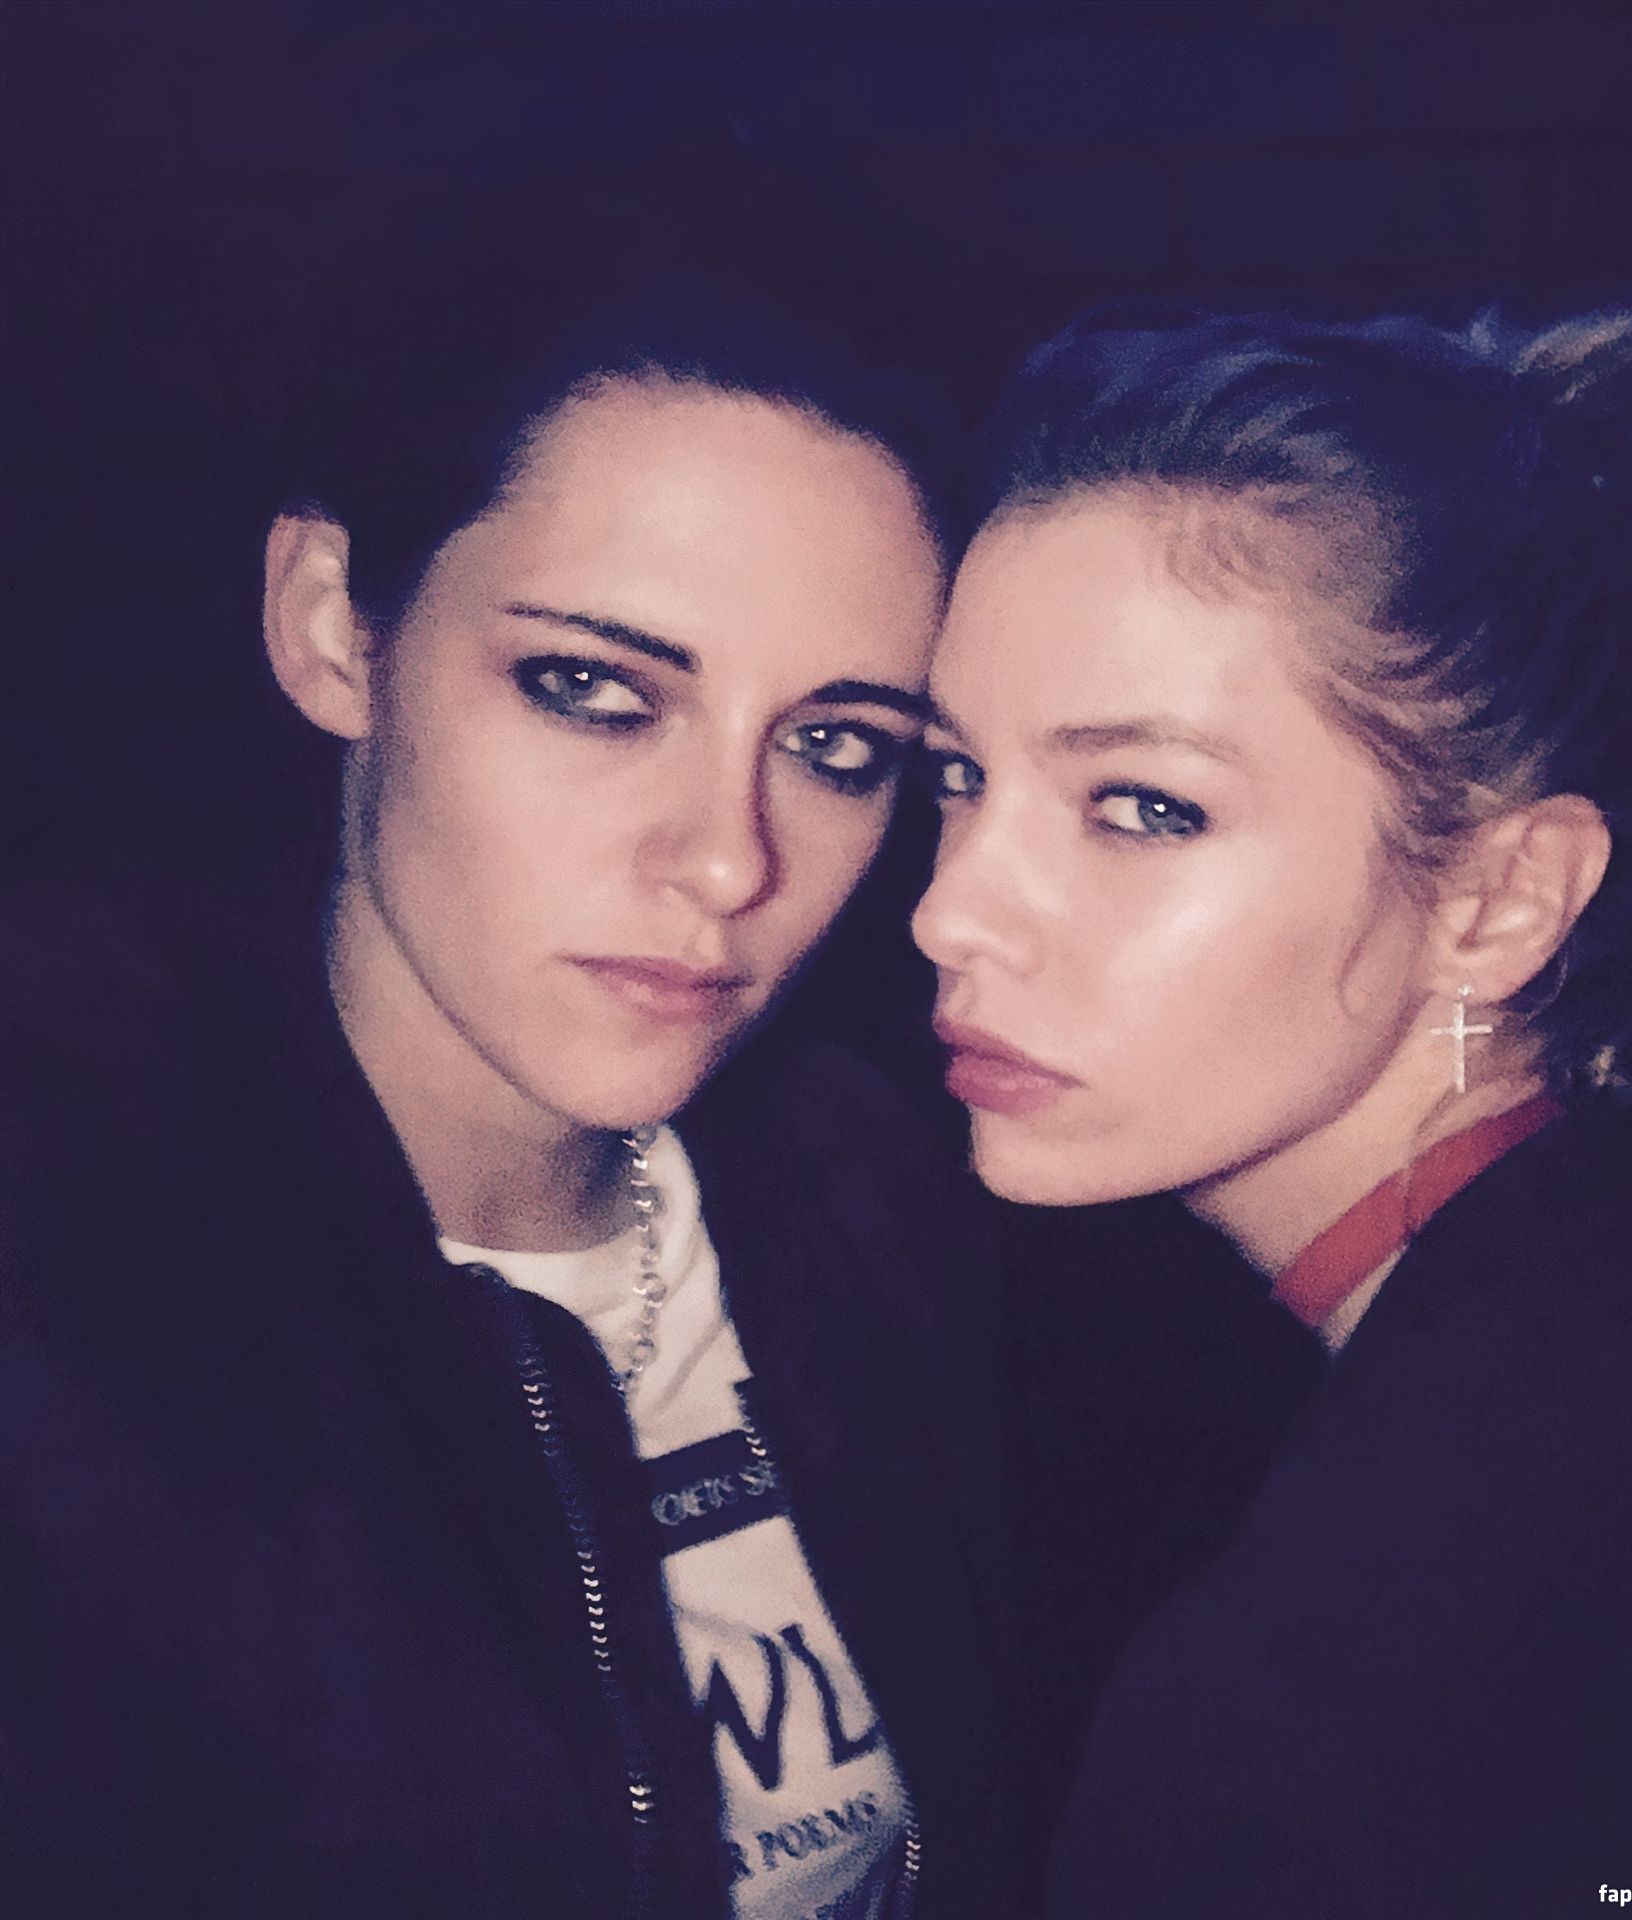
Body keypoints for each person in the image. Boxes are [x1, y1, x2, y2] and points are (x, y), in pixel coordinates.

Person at [0, 246, 1013, 1918]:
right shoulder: (74, 1325)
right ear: (330, 624)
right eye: (594, 692)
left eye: (837, 747)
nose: (728, 861)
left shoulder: (880, 1202)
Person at [912, 304, 1632, 1915]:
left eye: (1141, 807)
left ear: (1499, 898)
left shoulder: (1321, 1702)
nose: (950, 912)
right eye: (954, 775)